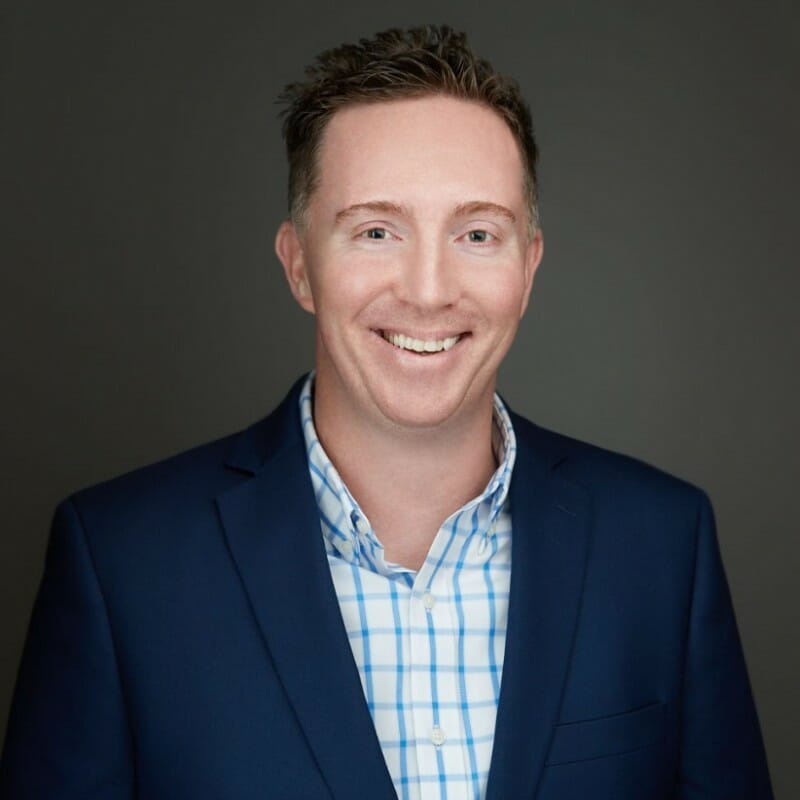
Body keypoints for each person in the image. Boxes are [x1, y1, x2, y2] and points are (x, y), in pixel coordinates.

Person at [0, 24, 772, 800]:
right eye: (376, 231)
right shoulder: (121, 563)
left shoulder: (664, 545)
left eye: (477, 233)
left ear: (528, 267)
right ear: (300, 265)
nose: (429, 290)